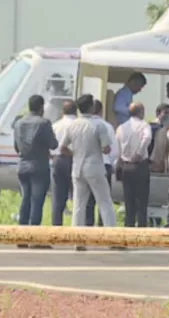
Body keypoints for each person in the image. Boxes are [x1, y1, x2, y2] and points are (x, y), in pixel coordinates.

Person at [59, 94, 117, 248]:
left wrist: (76, 154)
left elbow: (63, 147)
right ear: (92, 107)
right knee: (104, 202)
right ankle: (112, 237)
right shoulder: (99, 125)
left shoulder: (73, 125)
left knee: (79, 205)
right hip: (95, 167)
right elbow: (106, 148)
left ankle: (78, 240)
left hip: (77, 168)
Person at [13, 95, 58, 248]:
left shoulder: (19, 123)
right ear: (41, 107)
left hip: (23, 165)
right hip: (39, 166)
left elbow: (17, 147)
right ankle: (34, 238)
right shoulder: (44, 123)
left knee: (25, 200)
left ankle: (21, 237)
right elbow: (53, 144)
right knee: (37, 202)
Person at [116, 102, 152, 227]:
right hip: (140, 165)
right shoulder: (144, 125)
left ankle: (128, 227)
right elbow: (147, 138)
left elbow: (117, 147)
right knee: (141, 201)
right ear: (141, 112)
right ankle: (141, 228)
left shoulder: (121, 127)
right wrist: (139, 152)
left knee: (128, 201)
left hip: (126, 165)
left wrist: (119, 162)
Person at [86, 99, 118, 227]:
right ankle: (102, 226)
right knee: (104, 200)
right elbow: (114, 150)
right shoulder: (107, 126)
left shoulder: (85, 125)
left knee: (88, 201)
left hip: (88, 165)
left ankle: (88, 226)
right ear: (101, 111)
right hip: (105, 165)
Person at [50, 100, 78, 227]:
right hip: (75, 159)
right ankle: (77, 227)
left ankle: (56, 227)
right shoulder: (79, 125)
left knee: (58, 197)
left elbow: (49, 146)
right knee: (78, 196)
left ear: (63, 111)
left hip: (58, 160)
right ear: (76, 111)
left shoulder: (56, 125)